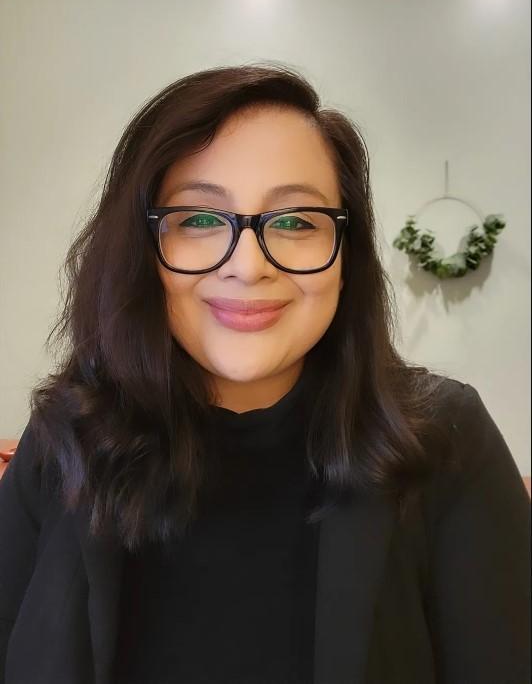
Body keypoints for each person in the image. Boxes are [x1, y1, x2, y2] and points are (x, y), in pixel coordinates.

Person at [0, 63, 529, 684]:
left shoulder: (446, 441)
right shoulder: (65, 442)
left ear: (345, 255)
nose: (248, 266)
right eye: (198, 219)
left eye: (296, 221)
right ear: (143, 253)